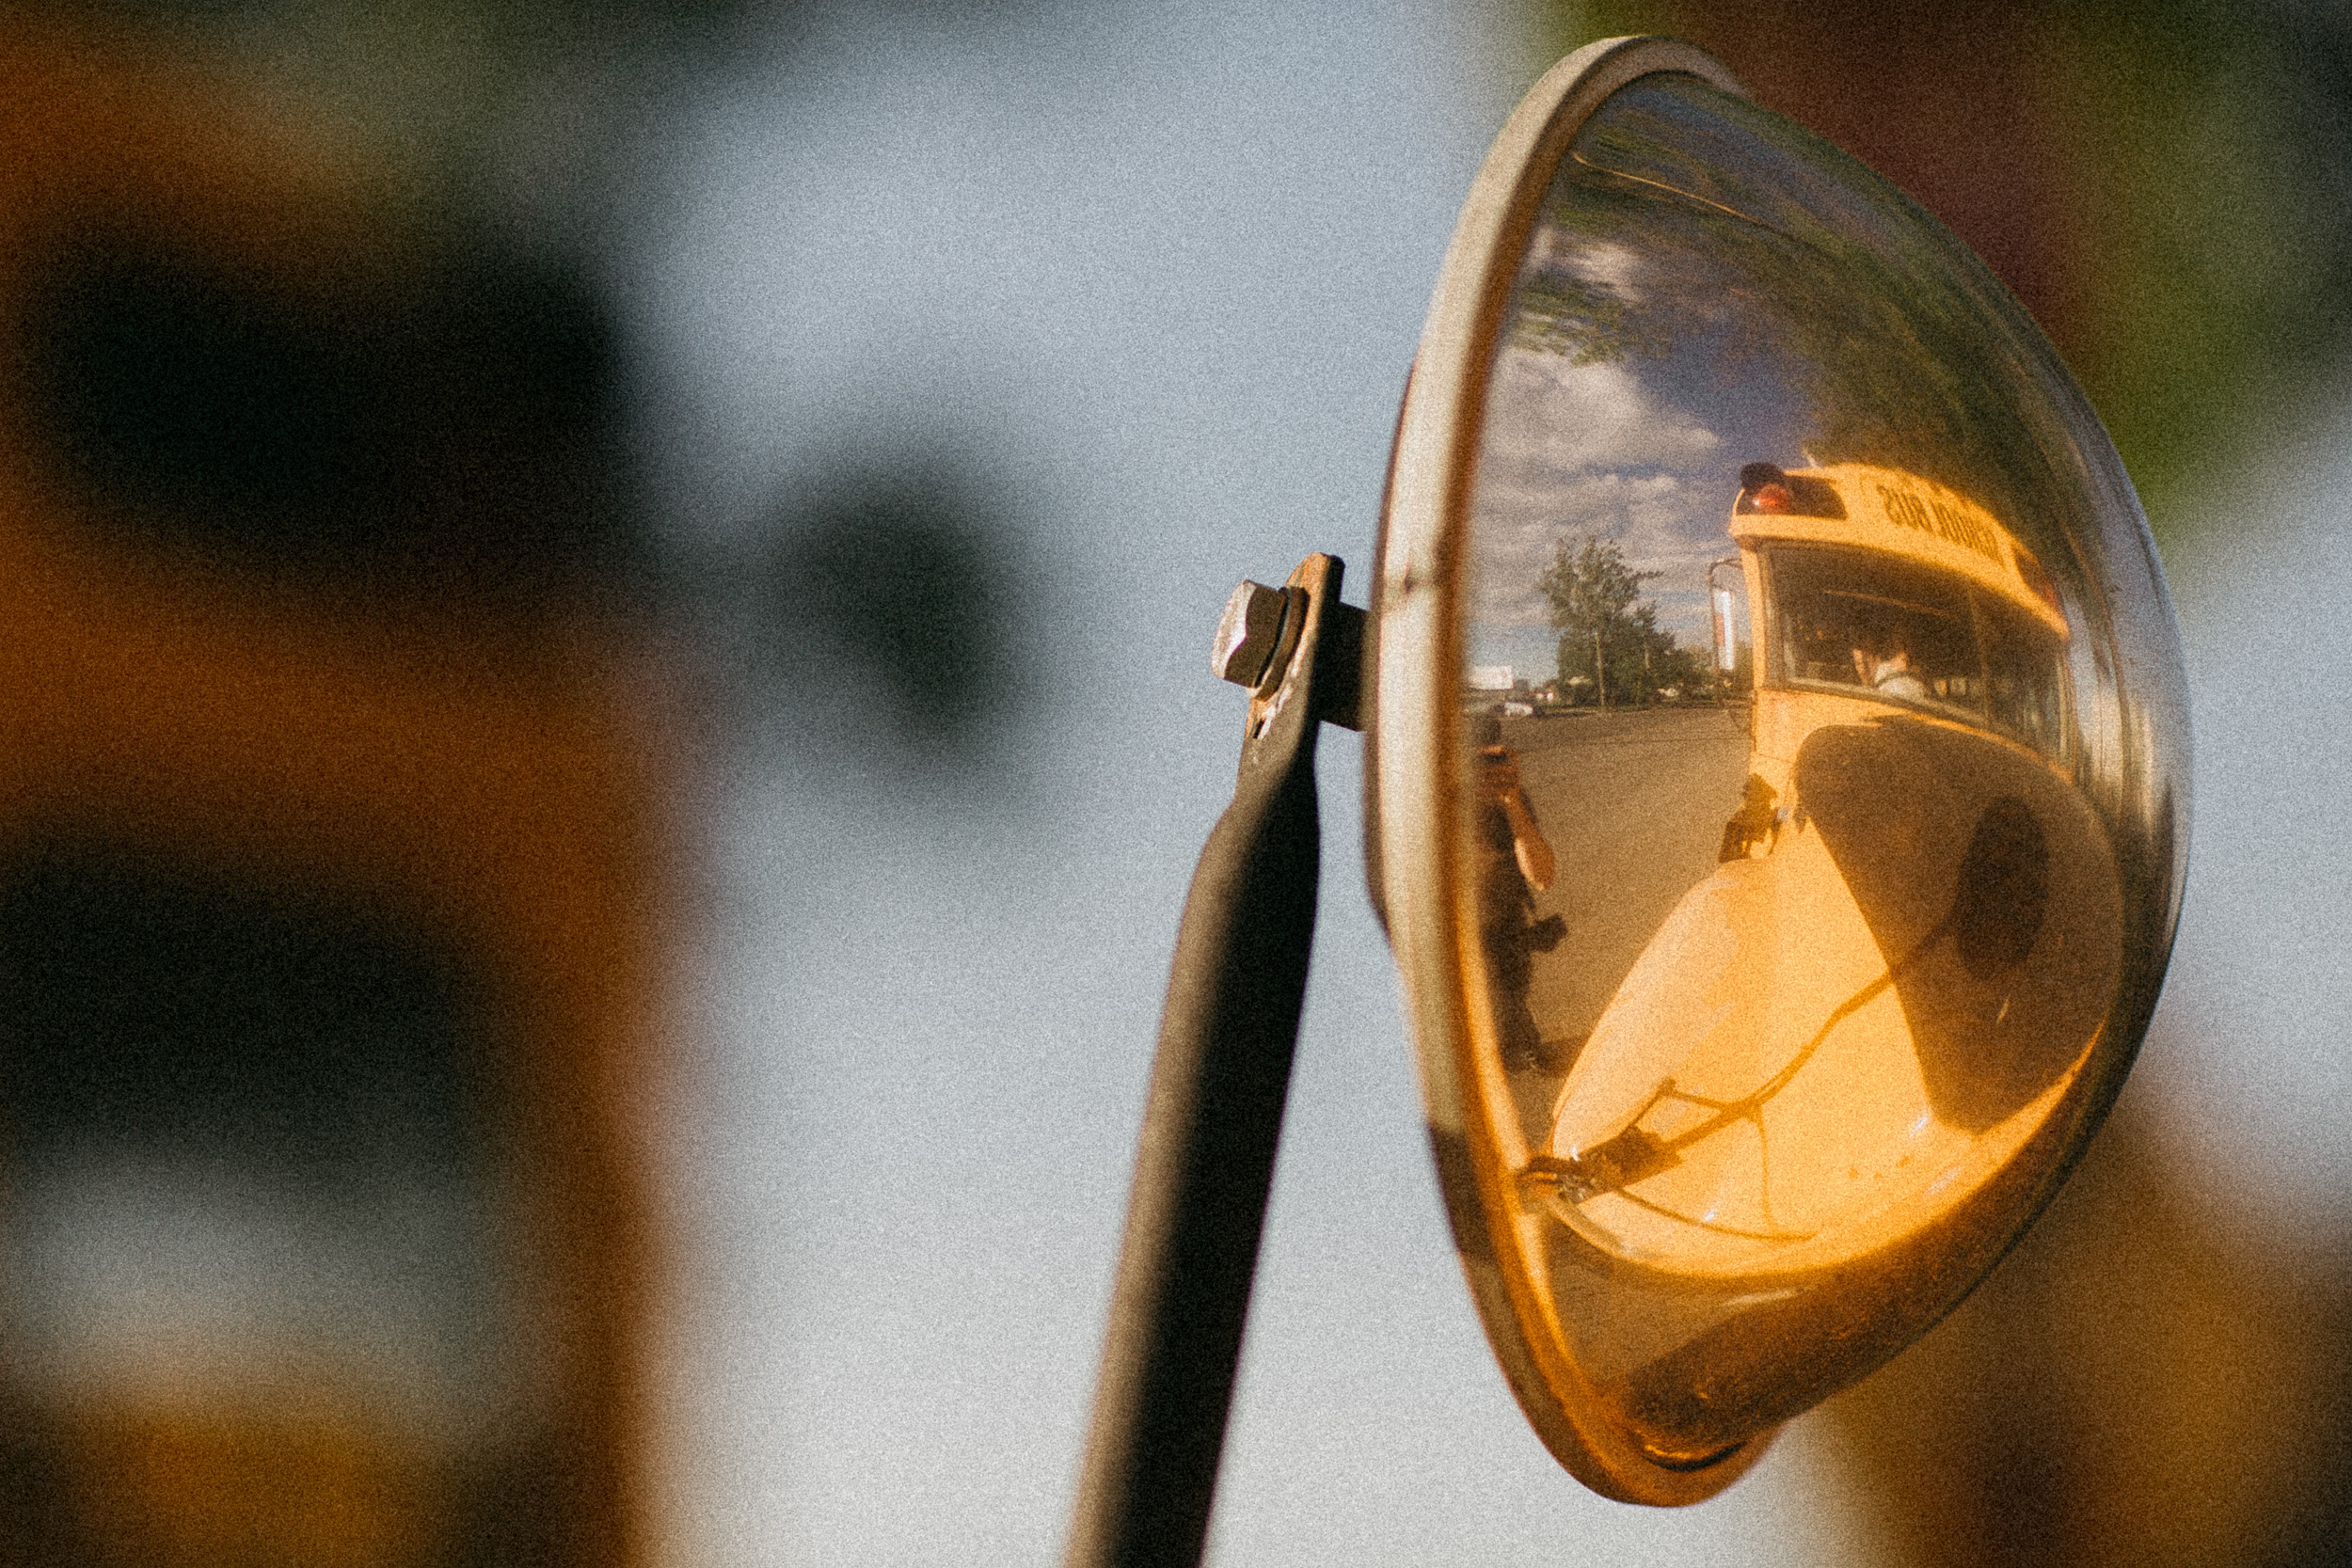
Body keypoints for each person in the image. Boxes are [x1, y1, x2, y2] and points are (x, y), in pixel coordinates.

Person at [1471, 718, 1566, 1070]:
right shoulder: (1431, 801)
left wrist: (1512, 803)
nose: (1482, 768)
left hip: (1504, 927)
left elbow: (1542, 876)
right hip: (1453, 929)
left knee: (1509, 1000)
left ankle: (1524, 1044)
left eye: (1491, 758)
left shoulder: (1510, 796)